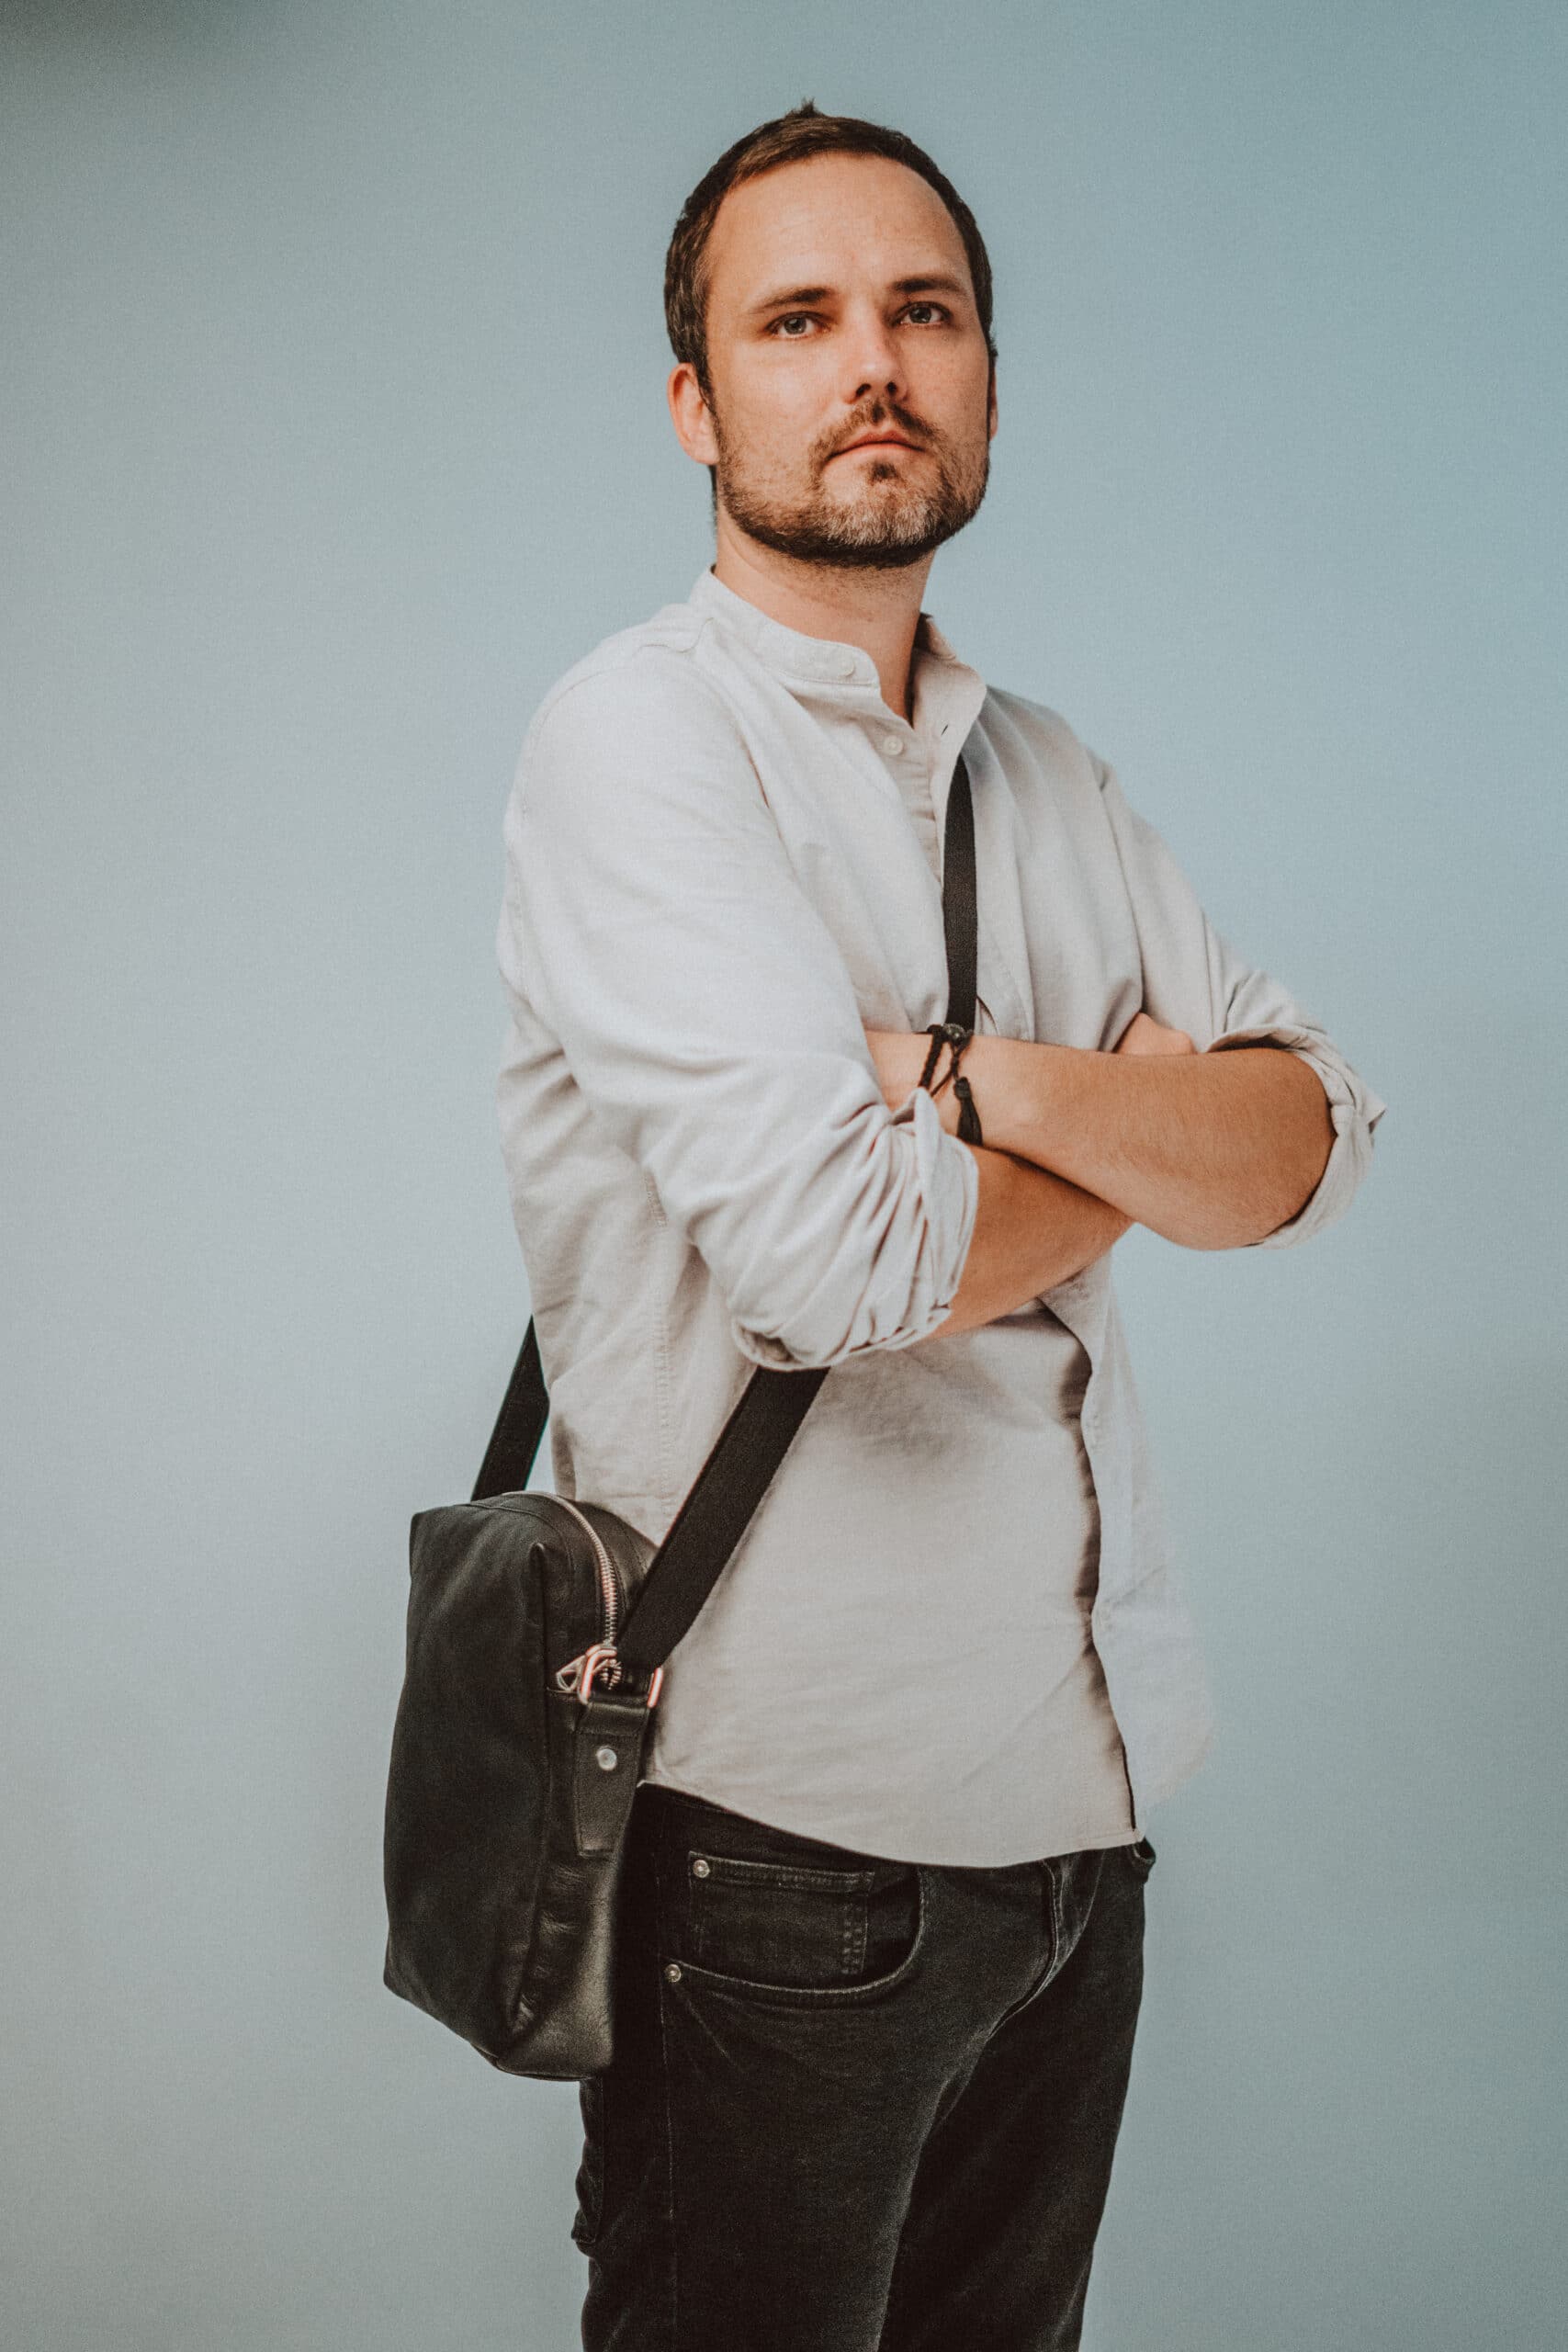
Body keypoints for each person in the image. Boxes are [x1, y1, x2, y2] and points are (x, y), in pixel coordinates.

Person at [494, 100, 1386, 2352]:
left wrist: (971, 1087)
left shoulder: (1046, 771)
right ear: (698, 402)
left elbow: (1307, 1144)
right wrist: (1146, 1141)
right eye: (794, 319)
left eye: (921, 310)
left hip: (1080, 1827)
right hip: (785, 1856)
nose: (868, 361)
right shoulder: (639, 743)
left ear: (983, 368)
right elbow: (839, 1265)